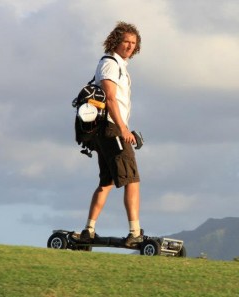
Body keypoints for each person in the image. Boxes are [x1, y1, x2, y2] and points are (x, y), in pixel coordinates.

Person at [74, 21, 143, 248]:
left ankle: (89, 230)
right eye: (126, 42)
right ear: (116, 41)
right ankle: (134, 232)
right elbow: (110, 98)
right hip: (111, 127)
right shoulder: (110, 64)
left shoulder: (119, 65)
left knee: (107, 181)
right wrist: (123, 128)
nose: (130, 46)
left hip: (109, 128)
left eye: (133, 43)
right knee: (132, 179)